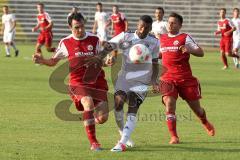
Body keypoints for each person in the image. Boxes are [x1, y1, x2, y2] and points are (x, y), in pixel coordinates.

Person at [32, 12, 109, 151]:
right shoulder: (65, 42)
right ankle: (94, 143)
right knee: (88, 103)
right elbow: (53, 61)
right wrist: (42, 60)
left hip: (97, 81)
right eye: (76, 28)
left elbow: (100, 60)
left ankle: (89, 119)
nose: (79, 30)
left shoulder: (94, 39)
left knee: (103, 118)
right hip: (78, 82)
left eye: (81, 26)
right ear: (70, 27)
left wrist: (107, 61)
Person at [105, 15, 160, 152]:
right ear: (138, 24)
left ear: (150, 28)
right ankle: (123, 133)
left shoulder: (154, 42)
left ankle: (122, 143)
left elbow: (155, 63)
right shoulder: (126, 36)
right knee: (118, 104)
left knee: (133, 105)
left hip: (142, 78)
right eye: (141, 26)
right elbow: (109, 45)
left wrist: (154, 81)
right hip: (125, 76)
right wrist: (111, 55)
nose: (142, 29)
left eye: (146, 28)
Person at [159, 12, 215, 144]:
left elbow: (201, 52)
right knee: (169, 104)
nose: (170, 24)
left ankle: (204, 121)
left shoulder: (185, 37)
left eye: (173, 23)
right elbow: (162, 54)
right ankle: (174, 136)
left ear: (180, 25)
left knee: (197, 109)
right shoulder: (162, 39)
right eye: (169, 22)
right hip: (167, 78)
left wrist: (190, 50)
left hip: (185, 79)